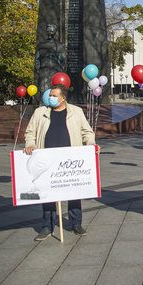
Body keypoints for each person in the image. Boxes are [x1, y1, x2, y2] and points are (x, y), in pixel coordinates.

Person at [24, 84, 97, 240]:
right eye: (50, 95)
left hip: (69, 160)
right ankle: (47, 226)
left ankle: (76, 223)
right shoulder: (40, 112)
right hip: (46, 160)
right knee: (48, 194)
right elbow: (30, 132)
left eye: (54, 95)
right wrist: (30, 144)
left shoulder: (75, 112)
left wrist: (90, 144)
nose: (50, 98)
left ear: (63, 98)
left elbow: (87, 132)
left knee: (74, 192)